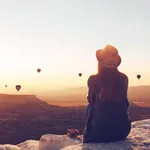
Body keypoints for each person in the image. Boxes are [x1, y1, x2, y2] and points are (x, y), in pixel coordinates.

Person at [83, 45, 131, 143]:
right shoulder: (123, 78)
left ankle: (93, 127)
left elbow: (91, 100)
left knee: (89, 106)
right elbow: (125, 103)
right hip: (121, 131)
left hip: (98, 133)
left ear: (100, 62)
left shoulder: (93, 79)